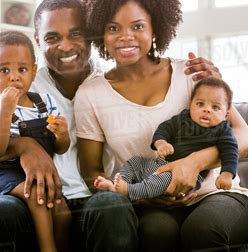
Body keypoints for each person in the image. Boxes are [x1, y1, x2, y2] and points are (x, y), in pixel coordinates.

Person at [0, 0, 224, 251]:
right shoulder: (18, 80)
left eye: (76, 34)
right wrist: (22, 146)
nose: (65, 46)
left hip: (94, 199)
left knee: (111, 205)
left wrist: (202, 76)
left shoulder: (109, 84)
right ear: (37, 42)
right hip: (31, 202)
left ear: (93, 36)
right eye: (52, 38)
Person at [75, 0, 248, 251]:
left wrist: (193, 162)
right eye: (113, 28)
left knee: (202, 232)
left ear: (155, 27)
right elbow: (91, 170)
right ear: (100, 32)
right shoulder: (91, 94)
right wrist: (140, 194)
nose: (125, 37)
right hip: (153, 201)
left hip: (214, 193)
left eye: (137, 26)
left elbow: (243, 136)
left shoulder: (191, 73)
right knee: (156, 233)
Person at [0, 31, 71, 252]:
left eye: (22, 69)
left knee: (63, 211)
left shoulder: (45, 103)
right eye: (4, 70)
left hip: (41, 174)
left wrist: (62, 135)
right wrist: (5, 113)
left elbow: (60, 148)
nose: (14, 77)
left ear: (34, 71)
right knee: (39, 196)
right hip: (1, 176)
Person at [94, 77, 239, 202]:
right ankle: (119, 184)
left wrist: (226, 174)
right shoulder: (184, 118)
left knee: (159, 183)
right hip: (159, 164)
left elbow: (231, 151)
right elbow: (164, 128)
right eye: (200, 104)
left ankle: (128, 191)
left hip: (183, 177)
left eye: (215, 107)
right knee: (135, 162)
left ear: (226, 115)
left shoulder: (222, 130)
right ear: (191, 104)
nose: (206, 110)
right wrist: (161, 143)